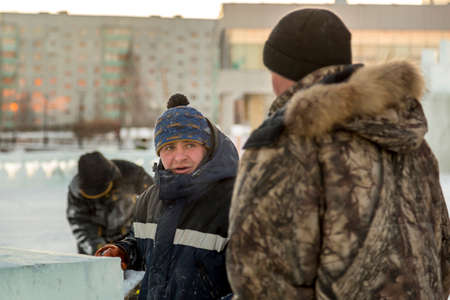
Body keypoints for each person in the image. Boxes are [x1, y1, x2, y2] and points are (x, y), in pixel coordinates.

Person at [226, 8, 450, 299]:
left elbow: (255, 275)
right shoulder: (413, 142)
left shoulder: (287, 142)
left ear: (281, 72)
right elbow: (443, 259)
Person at [95, 94, 239, 300]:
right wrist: (124, 251)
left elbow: (255, 282)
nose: (179, 156)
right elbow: (145, 245)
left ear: (207, 148)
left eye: (190, 145)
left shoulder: (235, 202)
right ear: (159, 153)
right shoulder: (149, 200)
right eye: (169, 147)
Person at [67, 151, 153, 255]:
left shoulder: (131, 173)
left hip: (129, 237)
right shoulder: (77, 192)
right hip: (96, 242)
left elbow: (154, 197)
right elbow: (81, 225)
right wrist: (100, 250)